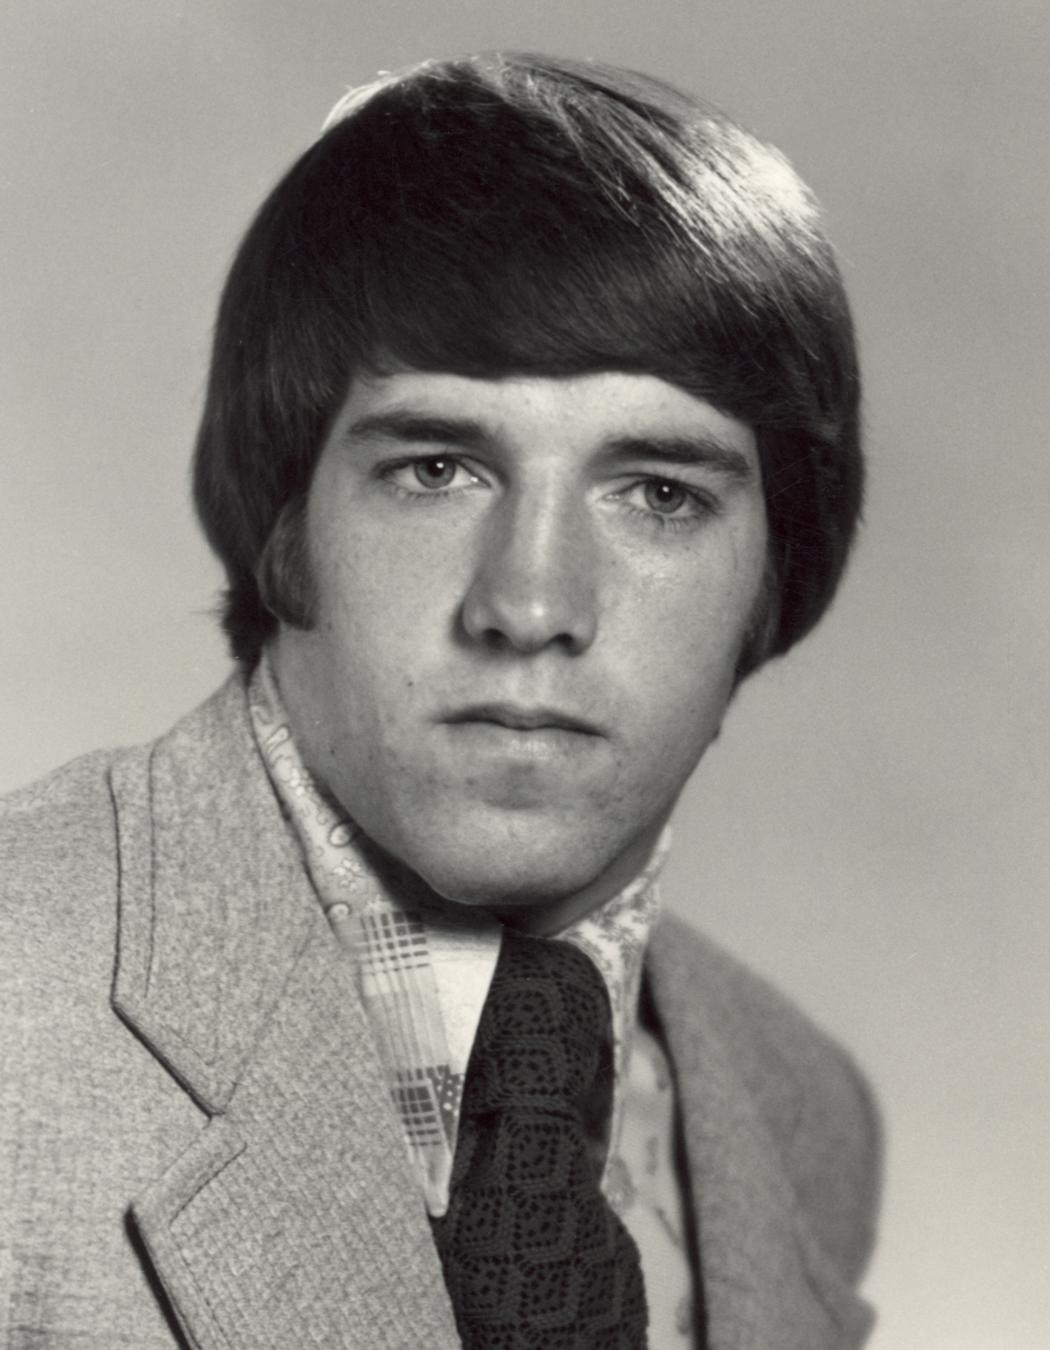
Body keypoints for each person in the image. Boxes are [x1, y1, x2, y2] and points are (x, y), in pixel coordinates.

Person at [0, 52, 880, 1350]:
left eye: (659, 494)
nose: (530, 604)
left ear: (772, 582)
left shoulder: (803, 1110)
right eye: (435, 468)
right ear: (281, 518)